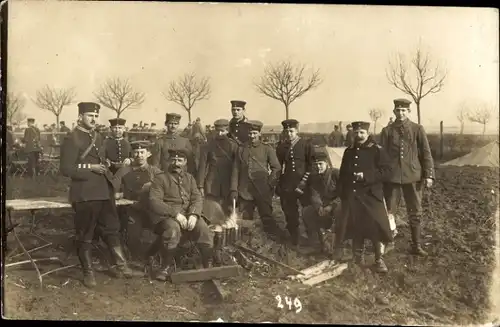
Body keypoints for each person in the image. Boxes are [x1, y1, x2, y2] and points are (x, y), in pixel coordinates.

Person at [59, 102, 134, 288]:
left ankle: (120, 265)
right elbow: (65, 169)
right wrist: (90, 167)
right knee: (86, 233)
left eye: (95, 116)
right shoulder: (72, 138)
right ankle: (88, 272)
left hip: (103, 190)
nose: (93, 119)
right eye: (89, 115)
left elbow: (105, 160)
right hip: (84, 193)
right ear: (80, 117)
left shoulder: (98, 137)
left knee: (112, 228)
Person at [336, 121, 393, 273]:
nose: (359, 135)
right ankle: (357, 258)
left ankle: (379, 260)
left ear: (367, 133)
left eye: (362, 133)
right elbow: (342, 174)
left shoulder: (377, 150)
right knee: (355, 227)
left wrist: (366, 176)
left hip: (371, 196)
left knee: (375, 227)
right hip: (353, 196)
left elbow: (387, 171)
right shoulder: (349, 151)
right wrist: (342, 193)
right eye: (356, 133)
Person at [379, 98, 434, 256]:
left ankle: (416, 245)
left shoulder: (417, 129)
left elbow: (425, 152)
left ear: (408, 112)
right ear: (394, 112)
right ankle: (389, 242)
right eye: (398, 110)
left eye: (404, 110)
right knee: (390, 211)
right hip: (392, 177)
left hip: (413, 176)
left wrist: (428, 174)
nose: (401, 113)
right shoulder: (387, 131)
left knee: (415, 211)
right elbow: (381, 155)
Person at [148, 149, 213, 281]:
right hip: (166, 217)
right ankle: (165, 266)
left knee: (203, 228)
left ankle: (208, 264)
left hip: (188, 215)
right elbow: (154, 202)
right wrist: (175, 214)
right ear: (168, 161)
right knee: (173, 230)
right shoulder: (160, 179)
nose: (176, 163)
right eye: (173, 160)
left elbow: (197, 198)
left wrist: (194, 215)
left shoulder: (189, 178)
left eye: (179, 160)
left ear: (185, 162)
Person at [230, 120, 283, 239]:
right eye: (250, 133)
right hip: (245, 190)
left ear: (259, 133)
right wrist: (234, 189)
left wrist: (269, 184)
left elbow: (276, 168)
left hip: (262, 190)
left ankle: (274, 239)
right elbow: (235, 170)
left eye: (254, 133)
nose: (252, 136)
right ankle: (246, 239)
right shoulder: (241, 149)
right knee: (245, 218)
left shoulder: (267, 149)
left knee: (266, 216)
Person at [114, 140, 163, 259]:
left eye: (142, 152)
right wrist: (120, 194)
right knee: (133, 235)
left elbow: (164, 189)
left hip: (152, 209)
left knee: (165, 229)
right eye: (136, 152)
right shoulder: (123, 171)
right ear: (132, 154)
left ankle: (155, 255)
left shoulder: (155, 171)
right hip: (131, 209)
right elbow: (114, 189)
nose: (139, 155)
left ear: (148, 154)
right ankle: (136, 258)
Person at [275, 119, 315, 246]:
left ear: (297, 131)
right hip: (288, 185)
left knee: (308, 211)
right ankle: (295, 238)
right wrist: (278, 184)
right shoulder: (281, 147)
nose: (289, 134)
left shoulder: (306, 145)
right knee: (290, 212)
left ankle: (313, 239)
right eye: (286, 131)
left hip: (304, 184)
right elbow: (279, 167)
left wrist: (304, 182)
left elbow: (311, 165)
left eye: (291, 131)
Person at [302, 150, 340, 254]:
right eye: (316, 164)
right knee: (307, 212)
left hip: (337, 205)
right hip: (323, 206)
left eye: (320, 164)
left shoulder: (335, 174)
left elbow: (344, 194)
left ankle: (338, 244)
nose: (318, 167)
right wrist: (319, 207)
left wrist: (331, 206)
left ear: (327, 163)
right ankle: (318, 242)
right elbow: (314, 194)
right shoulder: (314, 178)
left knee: (339, 213)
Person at [197, 119, 238, 215]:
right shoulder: (208, 145)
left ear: (227, 131)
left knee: (228, 208)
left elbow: (237, 167)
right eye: (218, 131)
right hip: (212, 182)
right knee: (212, 208)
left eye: (223, 131)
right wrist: (200, 185)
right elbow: (202, 166)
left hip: (228, 181)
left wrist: (235, 186)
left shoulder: (233, 145)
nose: (220, 133)